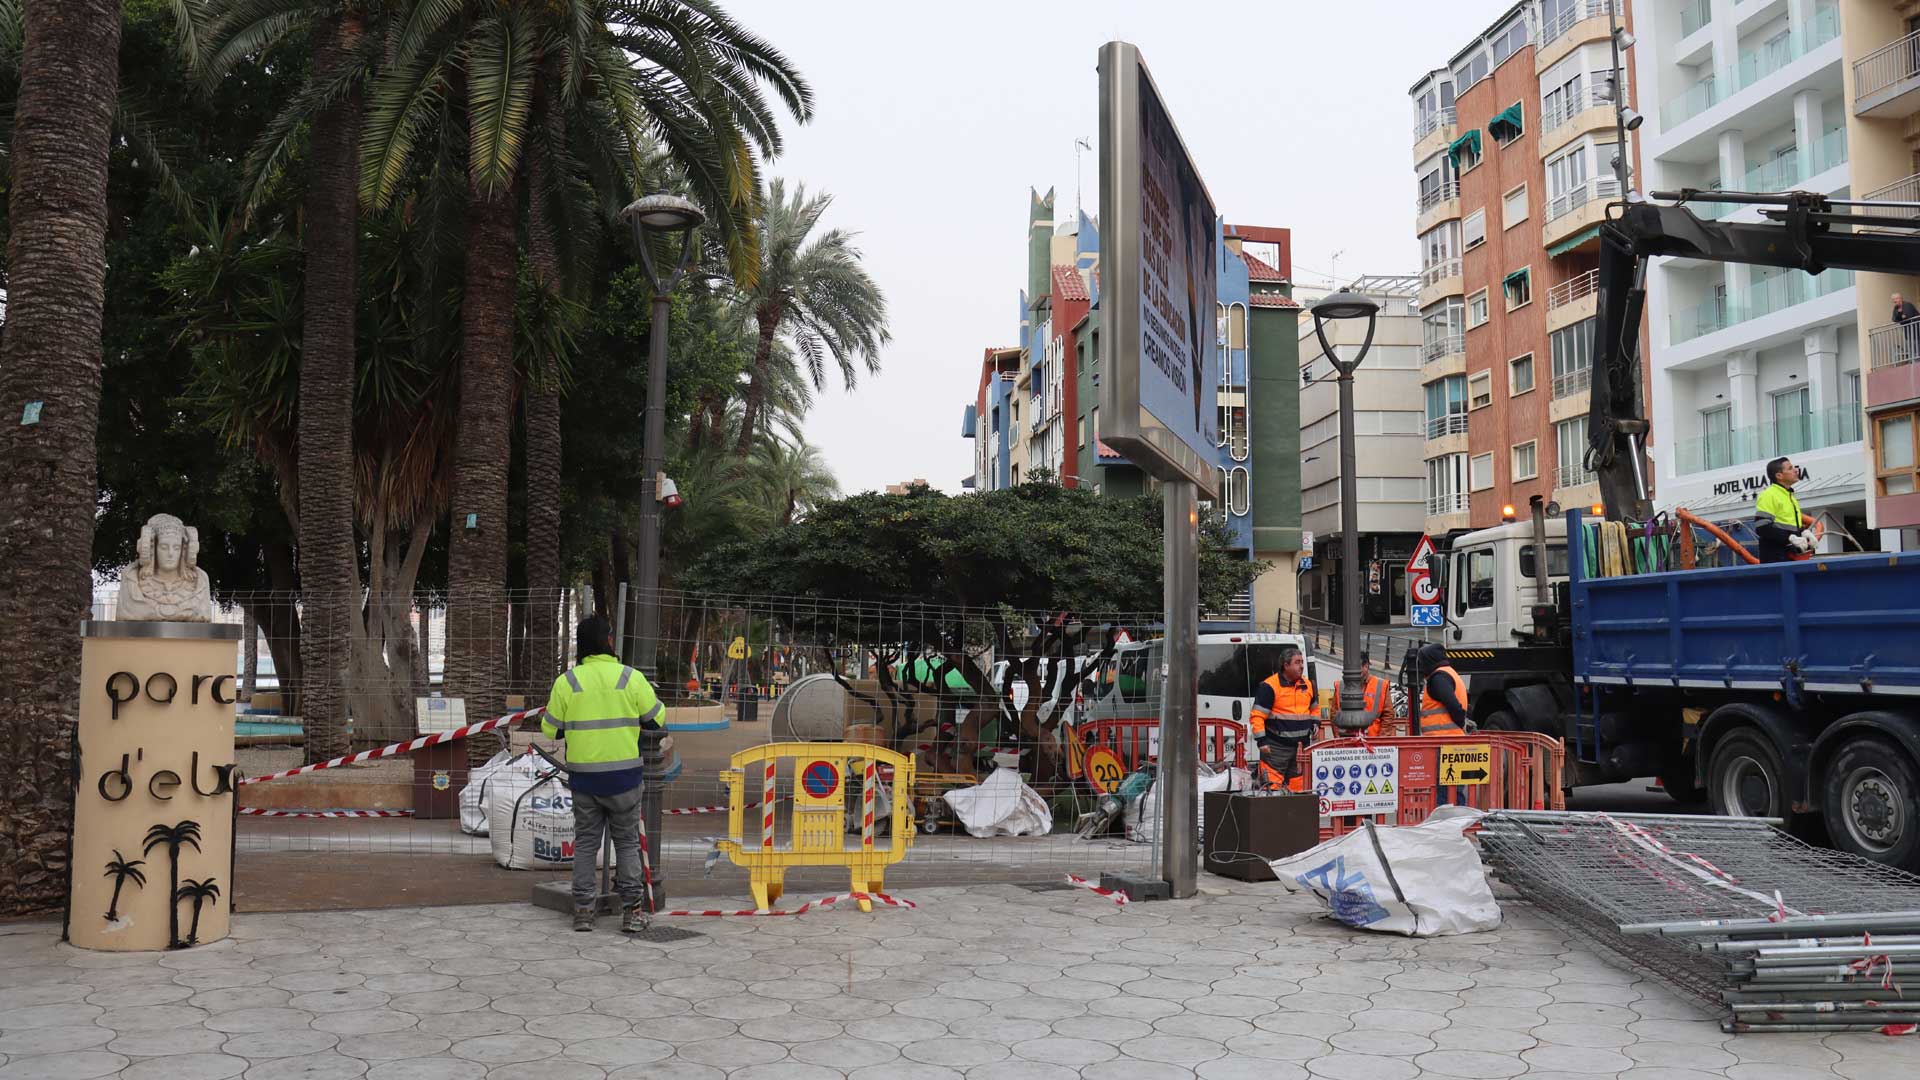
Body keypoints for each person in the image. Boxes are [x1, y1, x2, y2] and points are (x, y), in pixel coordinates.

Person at [542, 615, 664, 933]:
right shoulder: (630, 677)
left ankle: (584, 911)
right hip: (625, 779)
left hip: (584, 779)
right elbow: (656, 719)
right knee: (626, 844)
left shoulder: (567, 682)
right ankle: (633, 912)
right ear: (609, 640)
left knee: (585, 843)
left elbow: (550, 729)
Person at [1250, 646, 1318, 790]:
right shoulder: (1270, 686)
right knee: (1272, 788)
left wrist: (1315, 723)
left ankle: (1294, 805)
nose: (1302, 666)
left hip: (1301, 747)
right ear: (1286, 665)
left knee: (1298, 787)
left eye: (1302, 662)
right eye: (1297, 662)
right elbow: (1257, 716)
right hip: (1276, 748)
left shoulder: (1308, 685)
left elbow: (1314, 708)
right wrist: (1262, 741)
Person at [1754, 456, 1816, 563]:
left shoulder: (1789, 496)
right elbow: (1762, 527)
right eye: (1790, 468)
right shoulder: (1768, 495)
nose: (1796, 470)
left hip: (1789, 555)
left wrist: (1804, 532)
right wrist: (1790, 538)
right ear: (1779, 476)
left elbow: (1789, 525)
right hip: (1775, 558)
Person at [1415, 643, 1469, 738]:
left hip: (1443, 737)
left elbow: (1452, 704)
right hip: (1448, 736)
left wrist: (1460, 722)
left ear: (1429, 660)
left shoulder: (1439, 677)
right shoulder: (1448, 672)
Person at [1355, 651, 1394, 737]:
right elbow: (1335, 714)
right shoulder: (1341, 686)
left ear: (1366, 666)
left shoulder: (1380, 685)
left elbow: (1388, 715)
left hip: (1373, 740)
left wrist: (1380, 740)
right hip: (1349, 742)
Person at [1895, 293, 1919, 362]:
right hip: (1907, 331)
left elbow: (1909, 316)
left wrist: (1902, 317)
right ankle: (1914, 361)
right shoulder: (1896, 308)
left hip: (1915, 328)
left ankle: (1916, 361)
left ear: (1900, 298)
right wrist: (1901, 315)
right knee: (1911, 345)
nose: (1894, 301)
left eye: (1896, 299)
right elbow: (1895, 319)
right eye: (1893, 300)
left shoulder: (1908, 305)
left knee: (1916, 344)